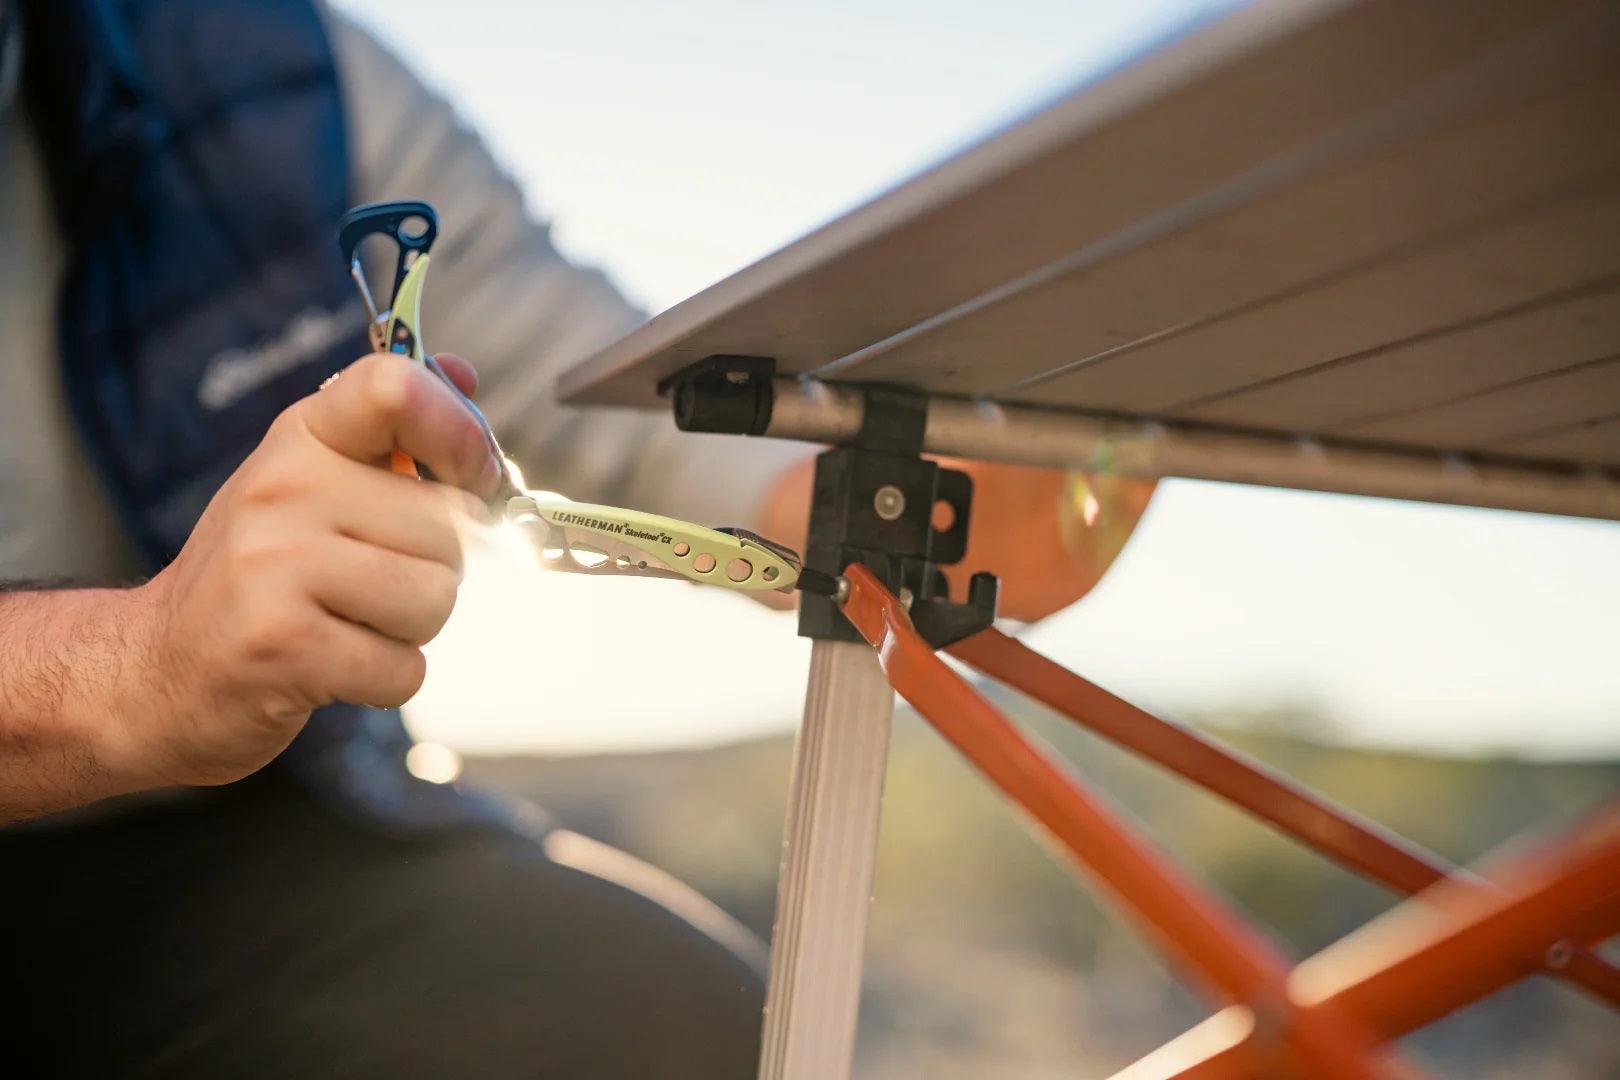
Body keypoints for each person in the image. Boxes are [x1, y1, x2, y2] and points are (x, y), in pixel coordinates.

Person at [0, 1, 1153, 1076]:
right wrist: (134, 668)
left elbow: (608, 399)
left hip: (249, 845)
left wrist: (939, 491)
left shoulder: (262, 69)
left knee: (678, 1023)